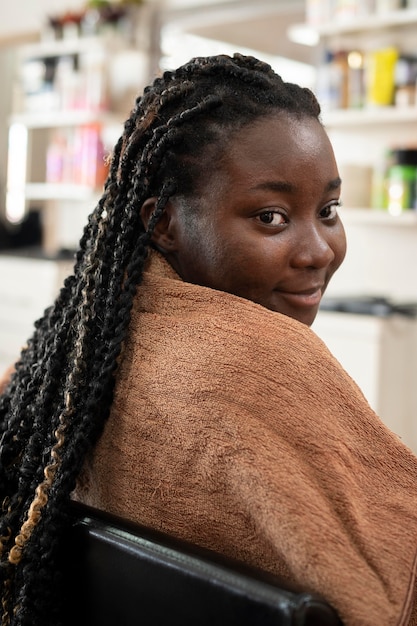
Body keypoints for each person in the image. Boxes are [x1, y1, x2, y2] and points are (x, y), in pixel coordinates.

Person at [0, 53, 416, 626]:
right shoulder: (259, 363)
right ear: (164, 222)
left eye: (328, 210)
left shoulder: (75, 348)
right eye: (270, 217)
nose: (319, 249)